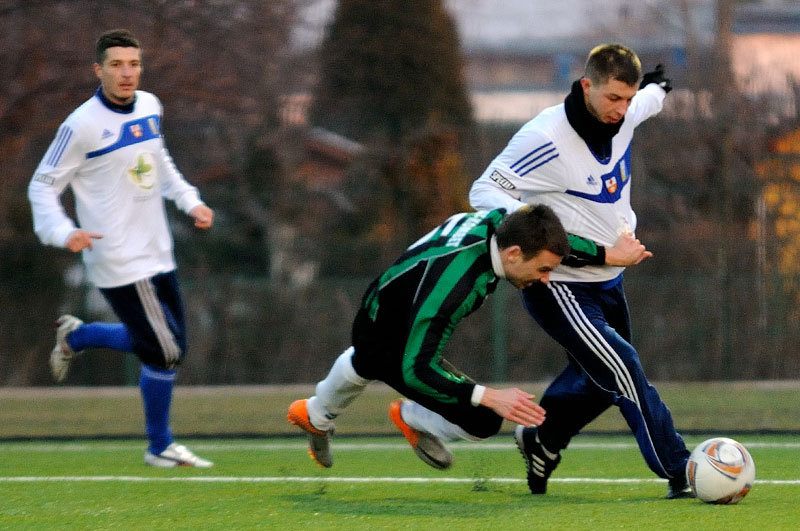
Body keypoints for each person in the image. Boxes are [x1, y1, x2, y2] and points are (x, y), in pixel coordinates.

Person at [469, 44, 693, 498]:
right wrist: (555, 242)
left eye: (628, 99)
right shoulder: (546, 138)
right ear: (586, 85)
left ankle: (542, 440)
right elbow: (483, 190)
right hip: (560, 284)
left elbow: (649, 99)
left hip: (609, 281)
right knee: (623, 366)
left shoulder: (627, 110)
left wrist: (658, 88)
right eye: (613, 98)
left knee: (598, 380)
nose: (621, 110)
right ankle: (681, 469)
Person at [28, 29, 214, 468]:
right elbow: (41, 186)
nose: (126, 72)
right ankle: (159, 446)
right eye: (116, 64)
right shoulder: (81, 125)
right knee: (166, 350)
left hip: (158, 249)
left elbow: (160, 162)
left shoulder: (150, 106)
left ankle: (78, 336)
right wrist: (61, 231)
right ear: (98, 70)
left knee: (167, 343)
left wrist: (191, 201)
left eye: (133, 63)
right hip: (116, 258)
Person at [287, 205, 570, 469]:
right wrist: (488, 396)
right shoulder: (454, 285)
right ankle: (407, 417)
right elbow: (417, 371)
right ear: (514, 254)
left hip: (385, 303)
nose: (545, 278)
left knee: (366, 359)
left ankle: (316, 415)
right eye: (544, 269)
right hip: (390, 334)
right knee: (483, 419)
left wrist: (607, 254)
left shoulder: (499, 223)